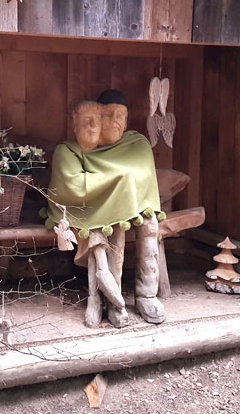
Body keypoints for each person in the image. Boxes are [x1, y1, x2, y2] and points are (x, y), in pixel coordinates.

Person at [46, 91, 166, 328]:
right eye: (109, 115)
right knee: (114, 229)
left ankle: (147, 295)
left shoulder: (136, 144)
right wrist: (118, 183)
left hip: (139, 206)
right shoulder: (71, 149)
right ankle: (113, 301)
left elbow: (141, 176)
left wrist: (117, 183)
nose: (115, 121)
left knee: (150, 226)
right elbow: (72, 186)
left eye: (121, 116)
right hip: (95, 208)